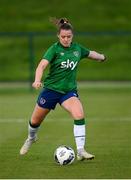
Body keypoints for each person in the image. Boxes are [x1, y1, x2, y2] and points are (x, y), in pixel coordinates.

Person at [20, 17, 106, 161]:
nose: (66, 39)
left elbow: (91, 53)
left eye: (68, 37)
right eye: (63, 37)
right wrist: (37, 80)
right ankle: (30, 138)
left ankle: (81, 150)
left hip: (68, 92)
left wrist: (102, 57)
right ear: (58, 36)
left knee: (79, 114)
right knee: (35, 121)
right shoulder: (54, 49)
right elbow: (41, 65)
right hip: (51, 90)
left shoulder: (77, 49)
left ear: (72, 36)